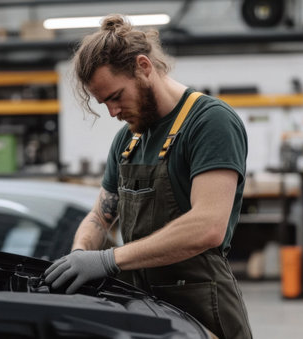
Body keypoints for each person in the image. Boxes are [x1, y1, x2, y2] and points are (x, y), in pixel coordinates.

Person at [45, 14, 252, 339]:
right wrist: (81, 253)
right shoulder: (129, 140)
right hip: (143, 303)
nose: (112, 112)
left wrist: (109, 260)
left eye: (115, 96)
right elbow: (101, 215)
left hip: (199, 303)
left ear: (143, 67)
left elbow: (208, 226)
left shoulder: (210, 123)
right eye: (103, 103)